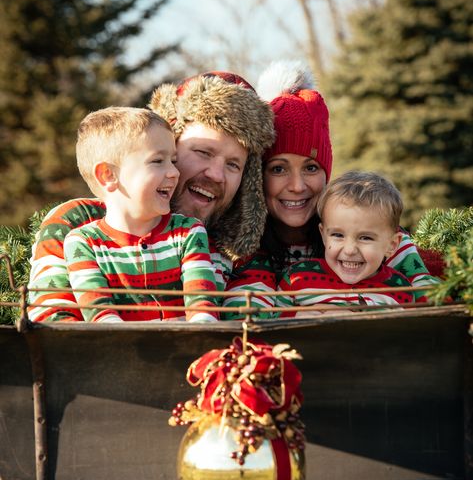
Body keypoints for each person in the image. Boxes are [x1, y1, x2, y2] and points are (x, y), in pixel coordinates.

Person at [28, 72, 275, 322]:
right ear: (169, 145)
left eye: (234, 165)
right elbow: (54, 322)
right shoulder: (76, 225)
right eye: (203, 152)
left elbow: (246, 334)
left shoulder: (241, 248)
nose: (217, 174)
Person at [223, 61, 439, 319]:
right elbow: (246, 316)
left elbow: (432, 297)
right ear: (259, 175)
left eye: (311, 168)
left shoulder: (372, 230)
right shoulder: (247, 243)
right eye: (278, 169)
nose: (297, 186)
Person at [62, 106, 218, 323]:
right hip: (123, 354)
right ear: (108, 175)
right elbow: (101, 318)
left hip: (187, 350)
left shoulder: (188, 232)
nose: (175, 172)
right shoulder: (83, 243)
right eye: (157, 161)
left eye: (173, 160)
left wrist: (199, 325)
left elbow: (202, 305)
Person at [278, 171, 416, 314]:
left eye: (365, 238)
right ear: (324, 236)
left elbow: (407, 332)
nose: (349, 250)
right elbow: (270, 325)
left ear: (391, 245)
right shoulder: (297, 278)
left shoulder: (399, 289)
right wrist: (297, 317)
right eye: (338, 235)